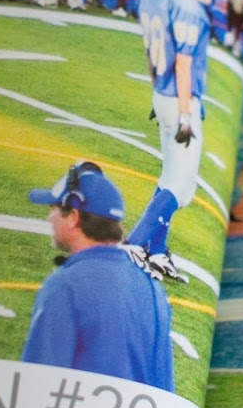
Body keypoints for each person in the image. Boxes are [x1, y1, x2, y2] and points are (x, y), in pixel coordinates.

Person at [22, 160, 175, 393]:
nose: (49, 217)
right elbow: (165, 391)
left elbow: (38, 386)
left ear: (73, 216)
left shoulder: (65, 285)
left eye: (54, 209)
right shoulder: (154, 290)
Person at [126, 0, 214, 283]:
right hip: (180, 101)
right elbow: (183, 64)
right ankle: (134, 245)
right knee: (181, 187)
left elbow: (155, 50)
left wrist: (159, 92)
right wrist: (186, 115)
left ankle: (158, 251)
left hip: (162, 95)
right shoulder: (189, 9)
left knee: (169, 177)